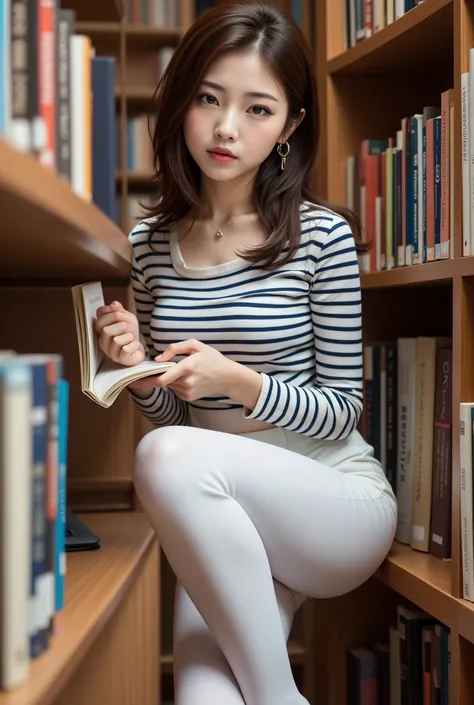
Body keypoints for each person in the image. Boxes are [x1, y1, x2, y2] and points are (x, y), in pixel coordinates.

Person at [95, 2, 397, 704]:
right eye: (208, 98)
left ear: (291, 124)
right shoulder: (149, 245)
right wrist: (139, 367)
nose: (227, 128)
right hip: (223, 514)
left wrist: (241, 381)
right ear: (182, 101)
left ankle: (278, 696)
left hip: (332, 504)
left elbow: (342, 411)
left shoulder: (321, 237)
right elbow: (173, 422)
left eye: (258, 109)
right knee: (201, 695)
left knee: (164, 460)